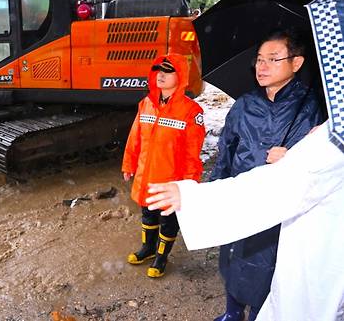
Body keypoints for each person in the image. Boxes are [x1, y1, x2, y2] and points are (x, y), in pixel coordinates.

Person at [145, 123, 344, 321]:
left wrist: (195, 198)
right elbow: (228, 149)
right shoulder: (333, 127)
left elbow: (281, 185)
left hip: (318, 256)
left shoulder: (335, 137)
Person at [206, 29, 323, 321]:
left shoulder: (311, 109)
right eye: (259, 60)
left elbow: (319, 165)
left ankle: (261, 314)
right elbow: (226, 150)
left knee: (267, 267)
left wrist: (292, 157)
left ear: (296, 64)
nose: (262, 67)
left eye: (273, 59)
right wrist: (214, 192)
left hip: (278, 208)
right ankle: (232, 312)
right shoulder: (245, 104)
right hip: (241, 196)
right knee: (232, 257)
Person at [122, 53, 206, 278]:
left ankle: (161, 258)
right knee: (148, 215)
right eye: (158, 69)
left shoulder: (191, 112)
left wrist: (188, 183)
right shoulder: (146, 103)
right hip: (146, 176)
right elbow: (134, 137)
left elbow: (192, 153)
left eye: (168, 71)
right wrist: (129, 163)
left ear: (180, 76)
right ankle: (148, 249)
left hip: (171, 180)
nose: (161, 74)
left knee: (168, 221)